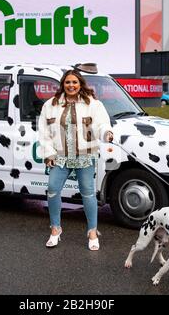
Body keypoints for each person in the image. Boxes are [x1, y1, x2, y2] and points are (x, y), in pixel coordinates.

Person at [38, 69, 113, 251]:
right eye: (67, 82)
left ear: (80, 85)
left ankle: (92, 232)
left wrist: (106, 133)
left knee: (88, 193)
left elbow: (102, 124)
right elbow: (44, 132)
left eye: (74, 82)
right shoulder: (50, 105)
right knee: (53, 190)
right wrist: (48, 153)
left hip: (85, 156)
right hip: (60, 157)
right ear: (63, 84)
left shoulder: (93, 104)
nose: (71, 85)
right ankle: (55, 229)